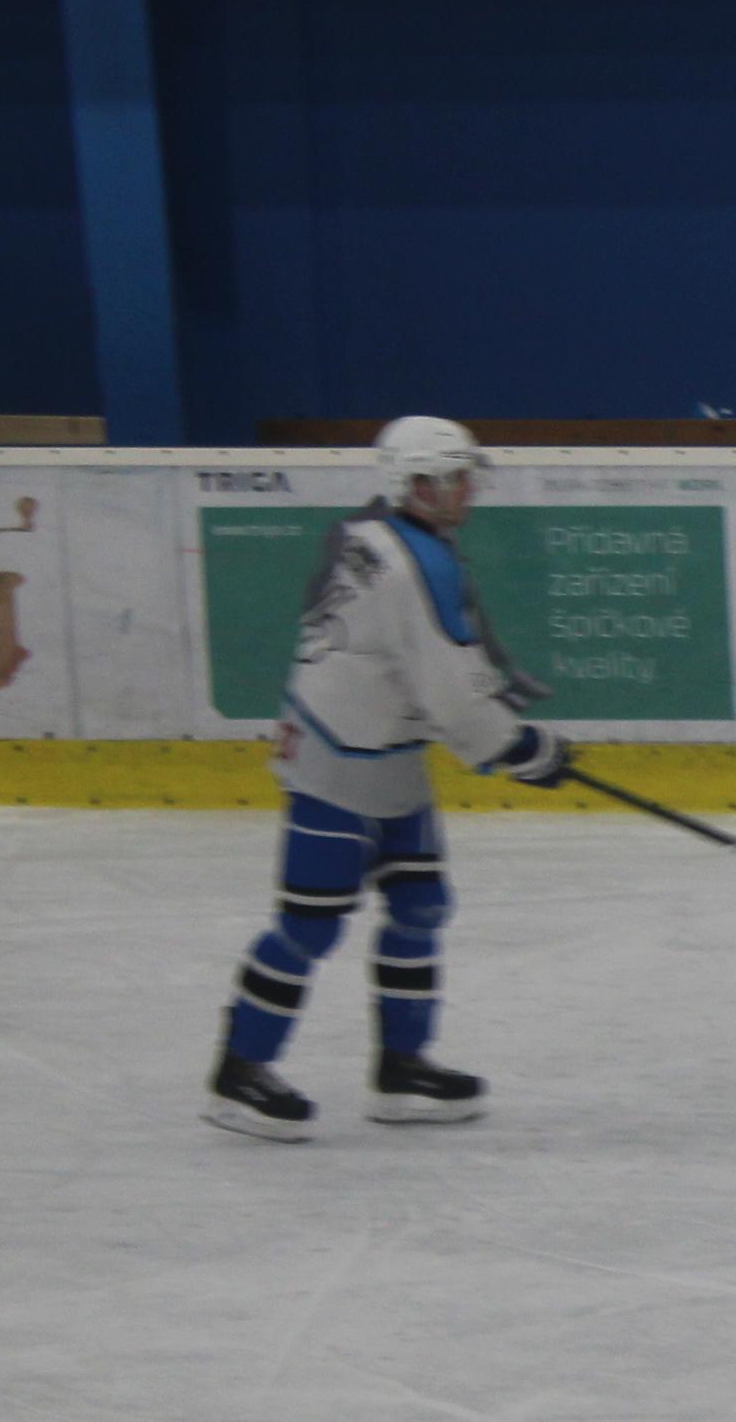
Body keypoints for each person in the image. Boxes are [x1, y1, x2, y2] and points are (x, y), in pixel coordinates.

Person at [204, 416, 575, 1141]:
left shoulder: (381, 536)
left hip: (388, 757)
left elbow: (435, 674)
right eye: (456, 477)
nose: (469, 490)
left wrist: (506, 734)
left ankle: (402, 1067)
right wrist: (522, 749)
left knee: (421, 906)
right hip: (336, 763)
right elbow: (450, 690)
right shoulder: (411, 563)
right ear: (419, 484)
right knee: (309, 924)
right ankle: (240, 1073)